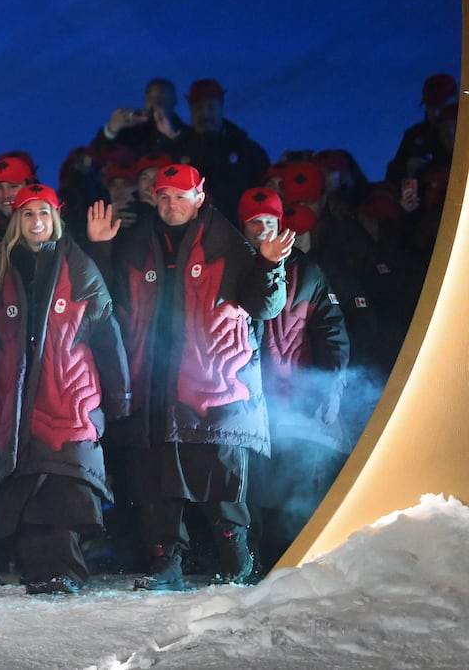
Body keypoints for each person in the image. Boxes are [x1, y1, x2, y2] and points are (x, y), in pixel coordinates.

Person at [86, 163, 294, 590]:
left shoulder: (229, 246)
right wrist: (101, 250)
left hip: (214, 383)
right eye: (163, 196)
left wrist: (270, 266)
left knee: (219, 478)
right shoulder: (137, 244)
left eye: (181, 196)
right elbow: (106, 303)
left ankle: (238, 560)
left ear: (200, 197)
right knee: (157, 480)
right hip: (155, 380)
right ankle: (166, 566)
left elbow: (265, 307)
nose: (171, 204)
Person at [0, 183, 131, 595]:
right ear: (16, 221)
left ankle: (65, 571)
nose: (36, 222)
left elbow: (106, 333)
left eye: (43, 213)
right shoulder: (0, 270)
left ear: (54, 218)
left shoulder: (80, 266)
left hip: (67, 392)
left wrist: (119, 393)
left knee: (63, 486)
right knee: (23, 485)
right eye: (27, 214)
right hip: (14, 394)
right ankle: (37, 570)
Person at [236, 188, 350, 567]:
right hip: (244, 402)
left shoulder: (309, 271)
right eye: (255, 223)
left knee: (295, 488)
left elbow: (332, 334)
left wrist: (331, 388)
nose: (263, 230)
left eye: (269, 221)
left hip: (295, 399)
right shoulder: (232, 266)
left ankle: (295, 565)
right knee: (251, 494)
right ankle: (253, 566)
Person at [169, 79, 272, 224]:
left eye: (210, 106)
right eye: (198, 108)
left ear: (221, 108)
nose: (204, 113)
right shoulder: (177, 151)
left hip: (236, 235)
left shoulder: (247, 150)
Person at [384, 72, 458, 185]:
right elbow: (393, 176)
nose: (433, 111)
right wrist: (407, 169)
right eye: (429, 105)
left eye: (439, 105)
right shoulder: (415, 135)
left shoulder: (462, 131)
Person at [91, 78, 187, 159]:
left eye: (162, 98)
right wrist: (111, 130)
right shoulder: (131, 130)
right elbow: (96, 155)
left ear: (174, 101)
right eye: (151, 98)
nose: (155, 102)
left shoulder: (185, 133)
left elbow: (190, 159)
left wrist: (172, 136)